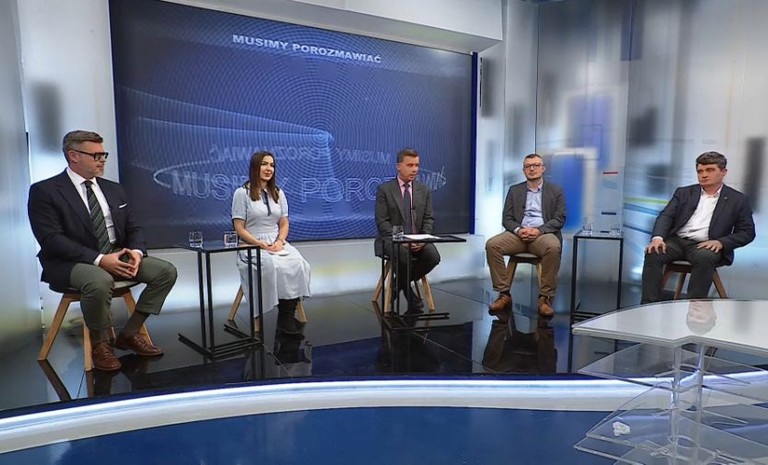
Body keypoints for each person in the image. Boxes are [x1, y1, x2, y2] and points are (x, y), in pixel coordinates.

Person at [28, 130, 178, 372]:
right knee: (99, 280)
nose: (102, 160)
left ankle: (129, 334)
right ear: (73, 156)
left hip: (115, 254)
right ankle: (100, 345)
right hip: (69, 262)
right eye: (96, 155)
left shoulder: (113, 189)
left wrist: (136, 253)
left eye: (103, 154)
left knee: (165, 272)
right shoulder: (45, 191)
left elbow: (133, 227)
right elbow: (52, 240)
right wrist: (99, 259)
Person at [641, 151, 755, 303]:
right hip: (677, 241)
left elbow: (747, 232)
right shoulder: (684, 193)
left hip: (706, 244)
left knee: (705, 257)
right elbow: (666, 216)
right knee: (653, 252)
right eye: (700, 171)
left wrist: (721, 242)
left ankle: (695, 308)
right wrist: (657, 238)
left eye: (710, 170)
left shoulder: (738, 200)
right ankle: (648, 305)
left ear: (723, 172)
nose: (704, 175)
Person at [231, 151, 311, 336]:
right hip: (251, 244)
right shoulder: (242, 193)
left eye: (272, 165)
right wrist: (259, 244)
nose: (269, 169)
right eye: (264, 164)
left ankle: (286, 316)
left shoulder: (278, 193)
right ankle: (283, 316)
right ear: (255, 167)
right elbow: (239, 228)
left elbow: (284, 222)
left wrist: (280, 241)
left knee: (297, 263)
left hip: (276, 242)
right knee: (272, 265)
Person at [485, 153, 566, 317]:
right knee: (492, 244)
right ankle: (503, 294)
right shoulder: (514, 190)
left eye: (536, 165)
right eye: (528, 166)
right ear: (523, 170)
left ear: (543, 169)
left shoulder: (556, 191)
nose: (532, 169)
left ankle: (545, 298)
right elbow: (506, 218)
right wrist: (518, 230)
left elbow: (559, 219)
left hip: (543, 234)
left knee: (553, 247)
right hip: (518, 234)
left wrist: (539, 230)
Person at [375, 148, 441, 312]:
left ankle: (397, 285)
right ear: (398, 166)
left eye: (417, 165)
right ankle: (409, 294)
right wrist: (402, 240)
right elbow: (382, 222)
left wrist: (423, 239)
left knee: (433, 257)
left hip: (418, 240)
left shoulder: (424, 190)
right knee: (403, 255)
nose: (414, 169)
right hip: (391, 240)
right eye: (410, 165)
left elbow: (428, 219)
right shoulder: (385, 190)